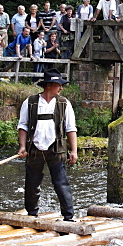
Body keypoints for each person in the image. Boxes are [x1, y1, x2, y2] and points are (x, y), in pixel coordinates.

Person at [17, 70, 78, 220]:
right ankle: (32, 215)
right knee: (31, 184)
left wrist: (74, 151)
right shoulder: (30, 102)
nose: (61, 88)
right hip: (34, 150)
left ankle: (68, 217)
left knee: (61, 184)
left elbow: (71, 128)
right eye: (59, 85)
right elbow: (22, 126)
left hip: (56, 149)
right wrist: (22, 146)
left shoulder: (64, 103)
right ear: (49, 85)